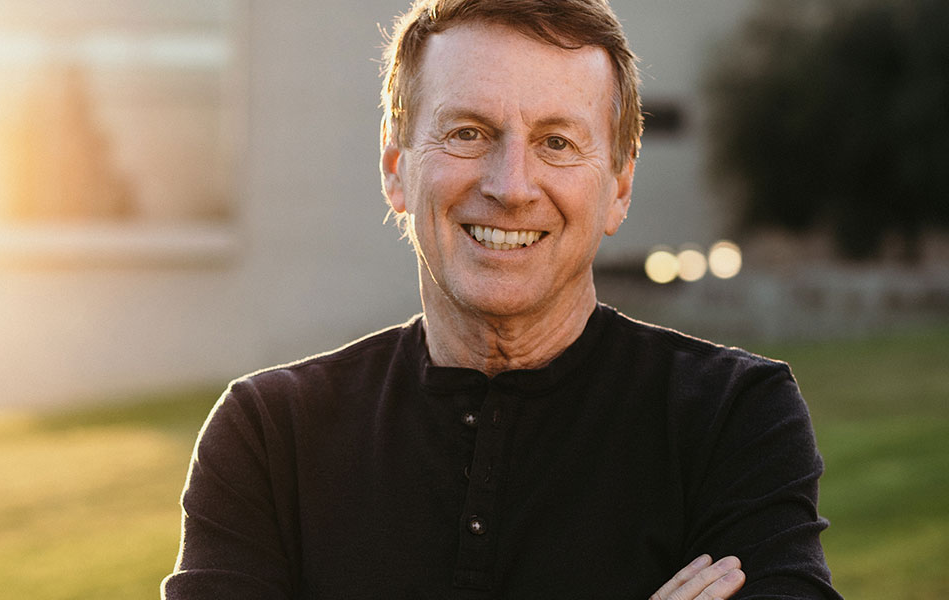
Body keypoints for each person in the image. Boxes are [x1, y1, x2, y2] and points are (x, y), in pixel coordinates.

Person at [163, 0, 841, 598]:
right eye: (468, 133)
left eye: (556, 142)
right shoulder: (268, 436)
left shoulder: (733, 418)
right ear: (396, 168)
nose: (512, 185)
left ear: (619, 187)